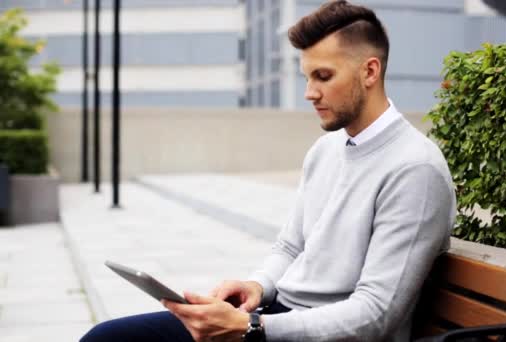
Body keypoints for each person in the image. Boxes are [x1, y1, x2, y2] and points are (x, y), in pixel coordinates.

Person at [81, 1, 456, 341]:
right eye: (306, 77)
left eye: (323, 76)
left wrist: (253, 328)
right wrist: (256, 287)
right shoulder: (326, 150)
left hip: (313, 334)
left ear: (369, 71)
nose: (310, 92)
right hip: (275, 319)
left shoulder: (415, 170)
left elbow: (376, 314)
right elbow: (290, 247)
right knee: (107, 339)